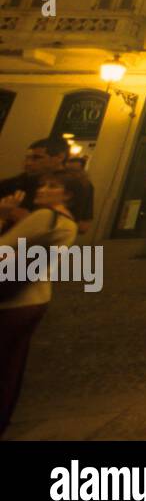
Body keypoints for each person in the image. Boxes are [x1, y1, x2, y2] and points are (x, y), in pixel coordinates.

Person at [0, 170, 79, 436]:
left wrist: (2, 215)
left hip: (12, 300)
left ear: (67, 195)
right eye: (42, 185)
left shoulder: (45, 217)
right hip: (38, 296)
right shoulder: (69, 223)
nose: (43, 189)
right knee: (12, 365)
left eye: (52, 186)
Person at [0, 137, 95, 236]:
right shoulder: (16, 182)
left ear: (59, 157)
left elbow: (84, 227)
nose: (28, 163)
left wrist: (33, 220)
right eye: (28, 157)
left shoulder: (77, 184)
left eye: (37, 158)